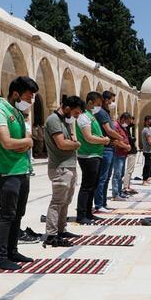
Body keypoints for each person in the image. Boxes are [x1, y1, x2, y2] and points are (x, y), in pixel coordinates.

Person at [0, 76, 37, 271]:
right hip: (7, 173)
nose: (30, 102)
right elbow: (7, 143)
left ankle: (12, 250)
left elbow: (26, 138)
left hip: (22, 170)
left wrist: (25, 143)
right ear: (15, 94)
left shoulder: (17, 113)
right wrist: (26, 143)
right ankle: (1, 257)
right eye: (28, 97)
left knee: (18, 214)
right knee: (7, 215)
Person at [43, 96, 84, 245]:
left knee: (66, 201)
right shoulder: (54, 120)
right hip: (60, 167)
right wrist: (76, 144)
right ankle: (51, 235)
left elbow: (70, 140)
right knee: (57, 201)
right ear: (67, 108)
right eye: (76, 112)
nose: (76, 116)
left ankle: (61, 229)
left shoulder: (65, 121)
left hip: (69, 165)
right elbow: (62, 144)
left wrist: (72, 140)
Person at [75, 92, 110, 224]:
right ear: (90, 102)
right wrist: (103, 140)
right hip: (88, 156)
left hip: (95, 154)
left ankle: (89, 213)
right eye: (98, 104)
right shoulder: (84, 117)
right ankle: (81, 214)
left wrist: (102, 139)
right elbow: (88, 137)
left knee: (93, 186)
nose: (99, 107)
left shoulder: (91, 116)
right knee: (87, 186)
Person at [94, 91, 120, 213]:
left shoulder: (106, 113)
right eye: (111, 100)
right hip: (105, 148)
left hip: (110, 147)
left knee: (107, 177)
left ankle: (103, 202)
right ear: (104, 100)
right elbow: (108, 130)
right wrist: (120, 137)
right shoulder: (101, 113)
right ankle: (99, 204)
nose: (112, 103)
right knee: (102, 178)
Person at [111, 112, 133, 201]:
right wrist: (126, 146)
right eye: (127, 122)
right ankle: (115, 194)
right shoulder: (116, 126)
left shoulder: (122, 127)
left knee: (121, 174)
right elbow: (116, 141)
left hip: (123, 154)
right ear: (123, 119)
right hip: (118, 154)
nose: (128, 124)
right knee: (117, 174)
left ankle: (119, 192)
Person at [123, 119, 139, 194]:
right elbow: (129, 139)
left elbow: (132, 124)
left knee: (130, 170)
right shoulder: (126, 129)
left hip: (132, 151)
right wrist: (133, 139)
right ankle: (126, 187)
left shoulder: (127, 129)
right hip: (131, 152)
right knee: (129, 170)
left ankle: (127, 186)